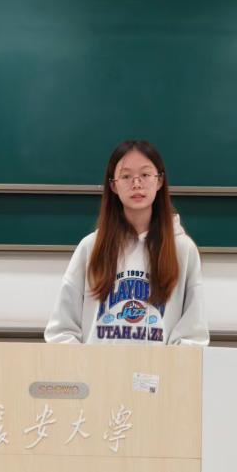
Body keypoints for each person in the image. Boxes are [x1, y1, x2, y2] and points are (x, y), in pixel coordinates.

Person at [44, 140, 209, 345]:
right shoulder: (90, 247)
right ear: (113, 185)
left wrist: (168, 365)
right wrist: (85, 364)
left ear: (159, 181)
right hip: (98, 366)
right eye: (126, 176)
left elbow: (193, 335)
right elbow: (61, 330)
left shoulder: (182, 249)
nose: (136, 184)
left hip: (159, 367)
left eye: (145, 175)